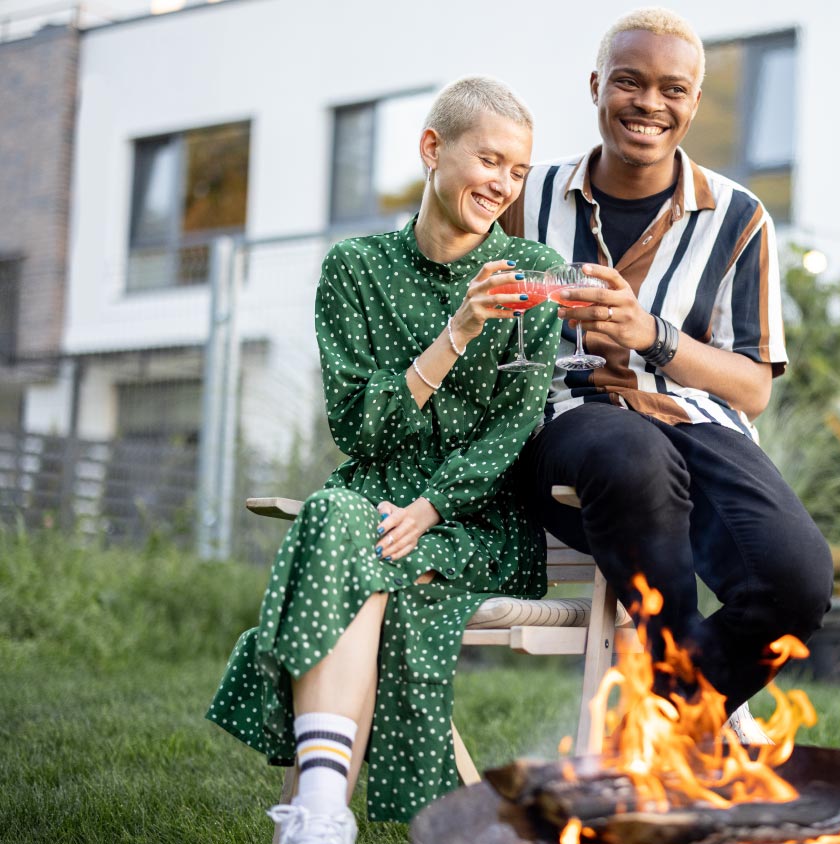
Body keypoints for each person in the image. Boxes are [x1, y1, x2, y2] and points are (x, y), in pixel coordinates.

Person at [206, 76, 563, 843]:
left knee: (346, 539)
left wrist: (433, 505)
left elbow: (516, 429)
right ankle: (324, 812)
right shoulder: (355, 268)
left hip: (475, 521)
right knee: (344, 517)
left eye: (519, 171)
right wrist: (457, 333)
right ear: (433, 150)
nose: (503, 184)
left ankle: (316, 811)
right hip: (372, 504)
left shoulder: (533, 272)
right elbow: (359, 431)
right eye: (490, 160)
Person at [502, 8, 834, 735]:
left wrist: (653, 336)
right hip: (570, 430)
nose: (649, 104)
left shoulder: (739, 217)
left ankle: (678, 712)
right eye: (629, 82)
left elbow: (752, 388)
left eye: (672, 89)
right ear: (596, 86)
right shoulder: (524, 201)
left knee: (796, 582)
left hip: (698, 422)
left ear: (693, 103)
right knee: (631, 451)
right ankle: (689, 717)